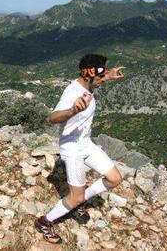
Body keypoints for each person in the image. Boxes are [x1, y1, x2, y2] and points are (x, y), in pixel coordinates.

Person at [35, 53, 125, 244]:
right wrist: (72, 111)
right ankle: (45, 221)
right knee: (75, 198)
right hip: (73, 149)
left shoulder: (88, 83)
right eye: (100, 76)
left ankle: (80, 200)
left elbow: (96, 81)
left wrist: (108, 76)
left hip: (85, 143)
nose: (102, 80)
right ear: (88, 75)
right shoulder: (72, 93)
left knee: (115, 178)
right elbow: (52, 118)